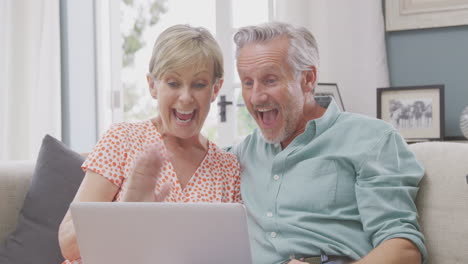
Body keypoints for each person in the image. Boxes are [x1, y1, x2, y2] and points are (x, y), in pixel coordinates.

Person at [230, 22, 427, 264]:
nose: (256, 96)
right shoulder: (240, 154)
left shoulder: (371, 139)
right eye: (247, 83)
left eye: (270, 80)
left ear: (308, 79)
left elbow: (403, 249)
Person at [58, 24, 241, 264]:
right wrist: (126, 210)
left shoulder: (227, 168)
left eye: (199, 84)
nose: (185, 97)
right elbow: (68, 246)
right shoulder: (123, 139)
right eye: (173, 83)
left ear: (216, 88)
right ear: (153, 85)